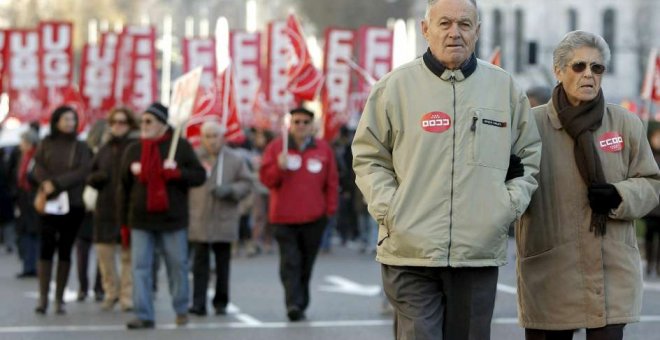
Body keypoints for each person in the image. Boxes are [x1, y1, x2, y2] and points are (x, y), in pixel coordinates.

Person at [351, 0, 542, 338]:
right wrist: (391, 209)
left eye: (465, 24)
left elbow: (528, 156)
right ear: (426, 30)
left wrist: (505, 207)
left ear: (477, 32)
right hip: (410, 250)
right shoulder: (393, 87)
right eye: (445, 23)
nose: (455, 32)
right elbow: (369, 156)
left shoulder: (505, 89)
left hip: (477, 251)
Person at [516, 30, 660, 340]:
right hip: (550, 271)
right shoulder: (530, 124)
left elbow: (652, 183)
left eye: (597, 68)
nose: (589, 75)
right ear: (558, 70)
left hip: (611, 271)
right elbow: (511, 188)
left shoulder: (626, 123)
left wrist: (620, 195)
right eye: (579, 66)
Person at [118, 102, 206, 329]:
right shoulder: (134, 150)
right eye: (142, 121)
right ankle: (144, 314)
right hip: (140, 220)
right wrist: (123, 223)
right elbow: (124, 188)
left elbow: (199, 176)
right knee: (141, 268)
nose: (144, 125)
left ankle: (181, 309)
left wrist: (176, 173)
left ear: (163, 125)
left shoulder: (181, 147)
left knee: (177, 265)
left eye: (149, 121)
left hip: (172, 220)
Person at [259, 107, 339, 322]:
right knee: (290, 262)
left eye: (305, 122)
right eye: (297, 122)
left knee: (306, 263)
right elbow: (266, 180)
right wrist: (278, 167)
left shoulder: (323, 149)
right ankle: (293, 303)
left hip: (314, 219)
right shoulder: (277, 148)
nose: (301, 126)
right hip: (283, 218)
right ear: (290, 124)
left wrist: (330, 211)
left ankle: (301, 300)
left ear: (312, 126)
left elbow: (331, 182)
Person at [33, 106, 93, 314]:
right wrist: (46, 184)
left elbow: (83, 171)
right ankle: (43, 298)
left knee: (65, 249)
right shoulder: (46, 143)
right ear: (56, 121)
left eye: (73, 119)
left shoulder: (81, 146)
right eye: (66, 119)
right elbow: (37, 167)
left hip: (73, 203)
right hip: (48, 202)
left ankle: (59, 298)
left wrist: (57, 183)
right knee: (46, 248)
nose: (70, 123)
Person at [188, 121, 252, 316]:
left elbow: (247, 183)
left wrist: (231, 190)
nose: (212, 140)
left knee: (223, 263)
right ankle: (198, 303)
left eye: (215, 136)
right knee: (200, 265)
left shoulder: (234, 159)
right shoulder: (194, 158)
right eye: (207, 136)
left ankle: (221, 301)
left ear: (222, 138)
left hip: (224, 218)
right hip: (200, 217)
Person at [87, 107, 138, 311]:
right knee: (104, 254)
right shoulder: (104, 148)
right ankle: (111, 292)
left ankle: (127, 296)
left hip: (128, 208)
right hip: (105, 209)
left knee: (128, 255)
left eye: (122, 122)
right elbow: (89, 174)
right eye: (114, 122)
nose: (118, 126)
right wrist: (98, 178)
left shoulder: (135, 146)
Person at [14, 130, 40, 278]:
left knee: (34, 233)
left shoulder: (37, 157)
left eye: (23, 142)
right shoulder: (21, 158)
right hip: (23, 199)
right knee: (24, 233)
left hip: (34, 198)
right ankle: (27, 265)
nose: (21, 145)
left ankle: (33, 265)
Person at [644, 127, 660, 277]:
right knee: (649, 237)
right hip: (651, 207)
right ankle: (649, 263)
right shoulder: (648, 156)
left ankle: (658, 265)